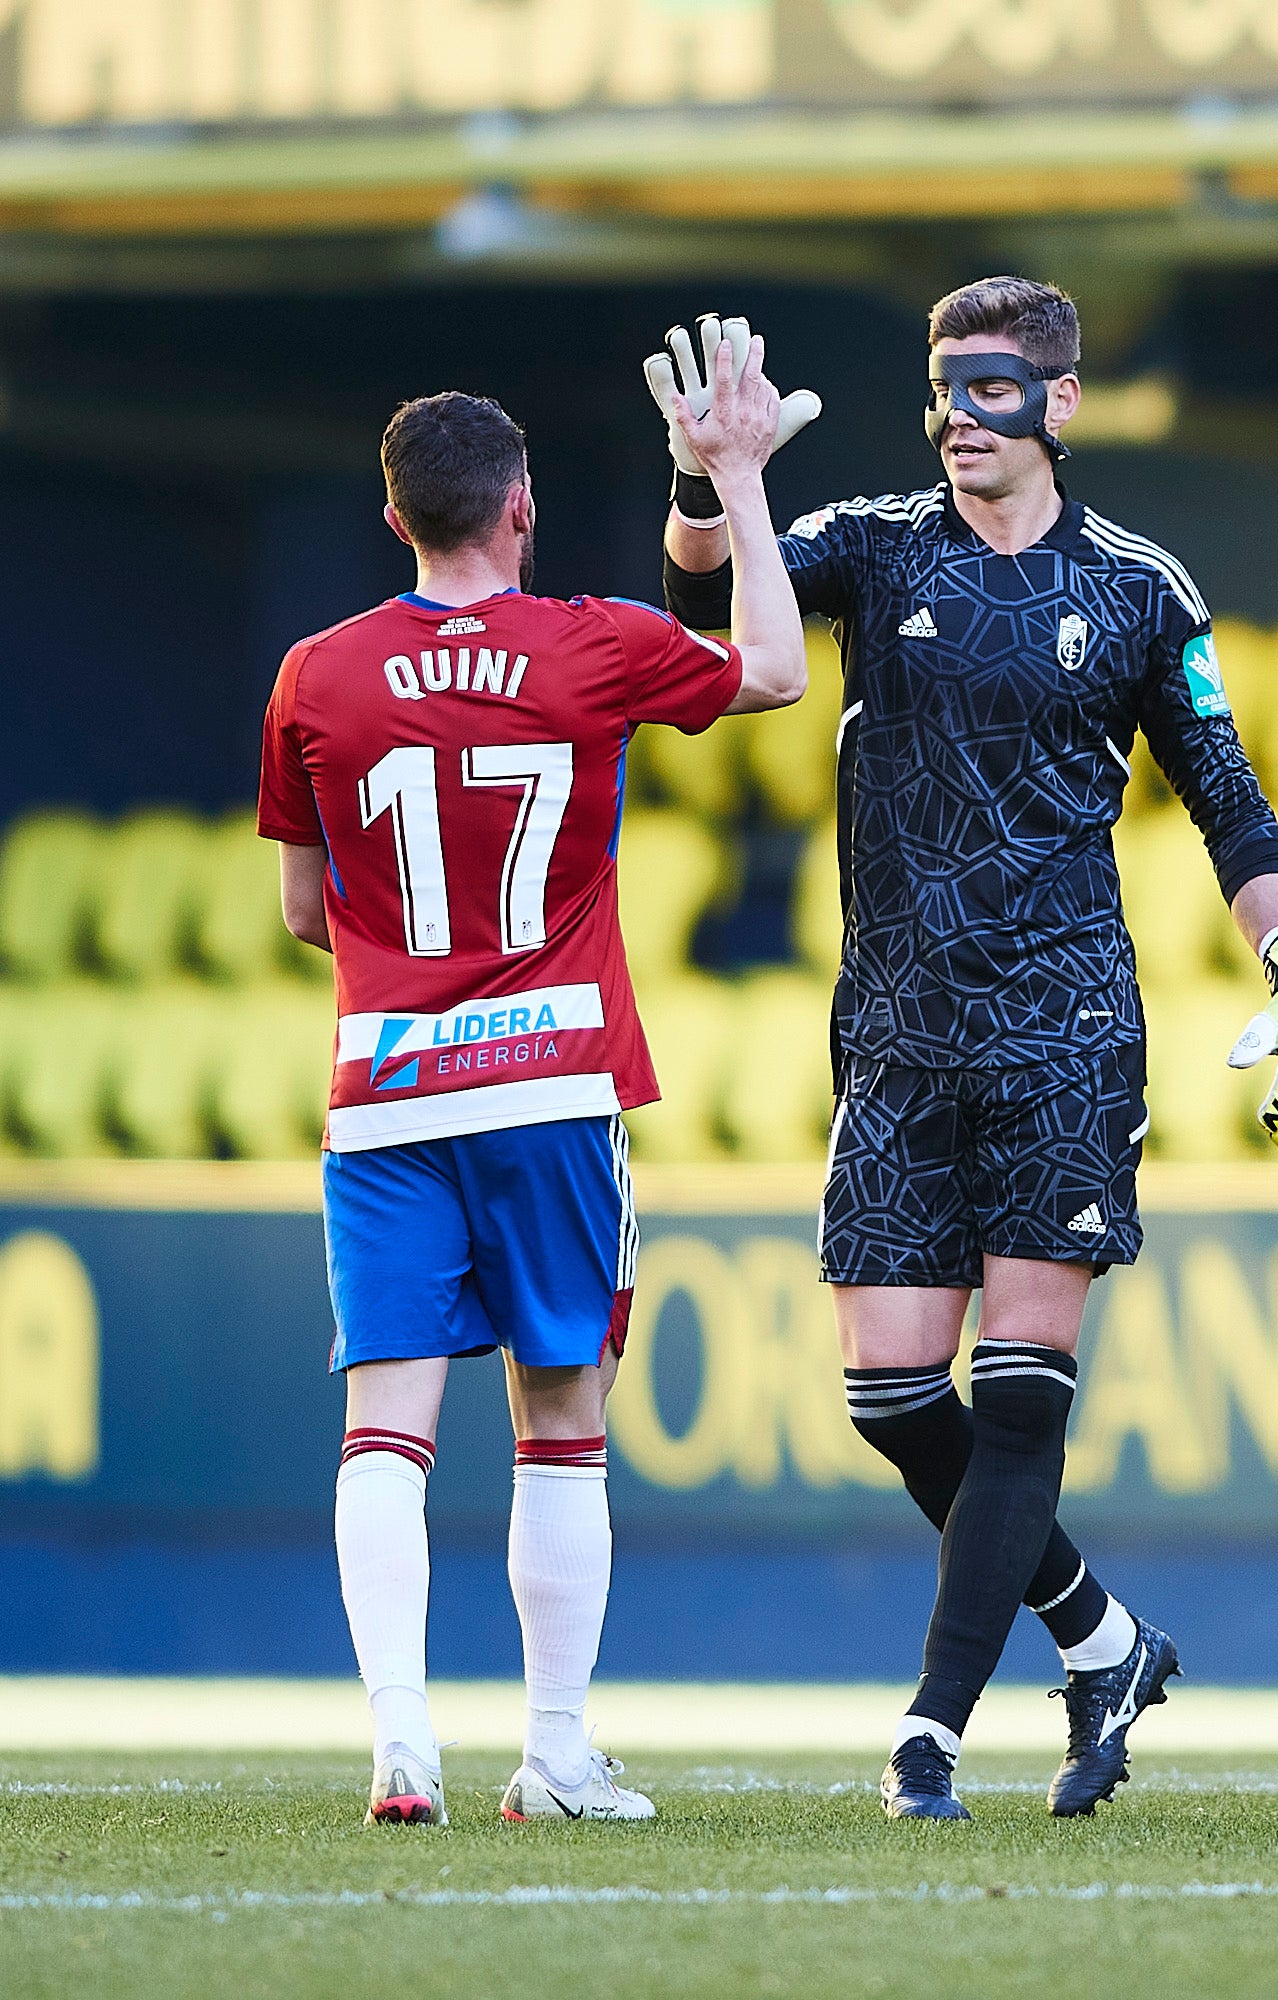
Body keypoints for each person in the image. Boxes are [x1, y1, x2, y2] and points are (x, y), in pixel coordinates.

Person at [657, 276, 1278, 1822]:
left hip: (1064, 1028)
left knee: (1023, 1393)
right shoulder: (867, 542)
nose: (965, 421)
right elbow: (708, 608)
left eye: (993, 392)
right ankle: (1104, 1639)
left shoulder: (1143, 589)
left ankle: (931, 1732)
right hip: (897, 1035)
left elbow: (1228, 799)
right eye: (947, 390)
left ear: (1060, 402)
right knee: (893, 1398)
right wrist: (711, 484)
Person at [257, 352, 810, 1826]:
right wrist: (738, 481)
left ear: (394, 522)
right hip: (551, 1078)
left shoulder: (314, 674)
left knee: (387, 1422)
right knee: (559, 1420)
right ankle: (555, 1754)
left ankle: (399, 1741)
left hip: (384, 1095)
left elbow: (308, 913)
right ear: (521, 508)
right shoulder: (593, 644)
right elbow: (774, 668)